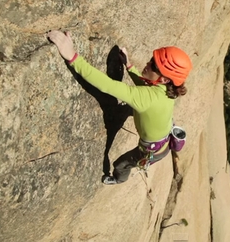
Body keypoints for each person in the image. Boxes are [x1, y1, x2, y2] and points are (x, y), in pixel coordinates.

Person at [47, 30, 192, 184]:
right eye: (151, 59)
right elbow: (147, 88)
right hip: (164, 136)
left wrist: (73, 57)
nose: (148, 64)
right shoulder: (169, 91)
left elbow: (108, 85)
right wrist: (129, 66)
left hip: (151, 151)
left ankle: (117, 179)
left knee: (121, 165)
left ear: (163, 79)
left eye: (154, 66)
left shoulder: (146, 98)